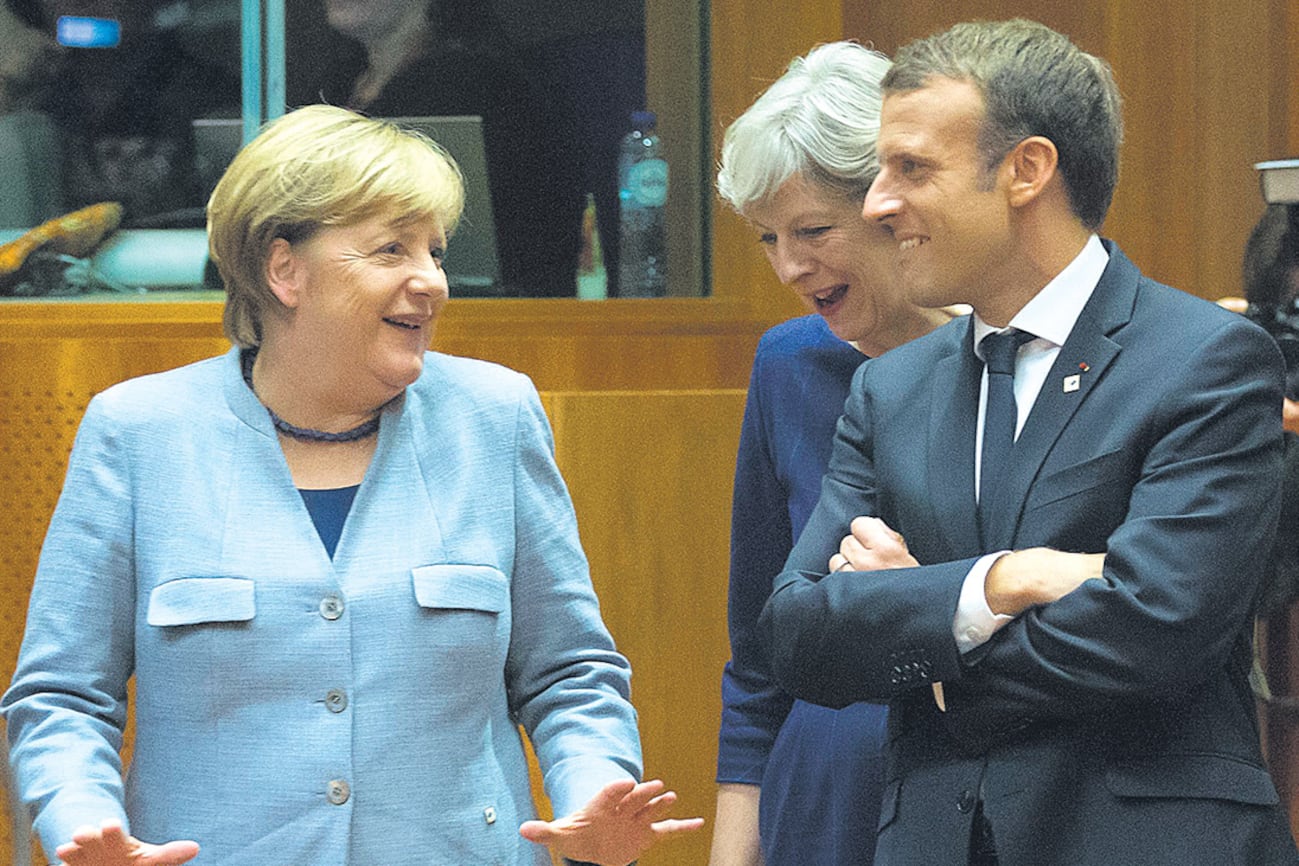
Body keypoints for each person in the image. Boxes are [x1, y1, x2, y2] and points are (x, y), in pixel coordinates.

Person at [1, 104, 701, 866]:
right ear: (284, 269)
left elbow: (569, 672)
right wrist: (82, 824)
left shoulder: (494, 420)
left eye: (434, 251)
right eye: (391, 249)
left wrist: (593, 793)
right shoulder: (138, 432)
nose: (430, 281)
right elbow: (62, 698)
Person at [759, 18, 1299, 866]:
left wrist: (927, 636)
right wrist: (1004, 580)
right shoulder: (889, 388)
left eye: (911, 169)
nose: (874, 203)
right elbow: (798, 636)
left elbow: (1152, 630)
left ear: (1026, 170)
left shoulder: (1204, 360)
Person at [708, 41, 957, 866]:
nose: (788, 266)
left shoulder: (1016, 358)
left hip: (978, 789)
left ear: (894, 203)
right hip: (818, 808)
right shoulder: (788, 364)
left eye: (812, 230)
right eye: (766, 239)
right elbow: (758, 660)